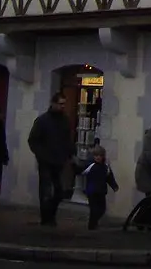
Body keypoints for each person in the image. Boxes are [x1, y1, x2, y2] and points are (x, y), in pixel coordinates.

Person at [28, 92, 75, 227]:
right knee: (46, 191)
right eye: (60, 104)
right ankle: (46, 219)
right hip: (46, 161)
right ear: (53, 104)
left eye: (64, 104)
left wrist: (70, 154)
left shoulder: (65, 120)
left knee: (59, 191)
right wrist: (41, 155)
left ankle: (51, 216)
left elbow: (67, 139)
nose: (62, 107)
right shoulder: (42, 121)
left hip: (60, 161)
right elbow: (33, 140)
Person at [82, 145, 119, 230]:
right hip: (92, 191)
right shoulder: (91, 166)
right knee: (93, 209)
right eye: (96, 155)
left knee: (102, 209)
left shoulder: (105, 167)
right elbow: (82, 171)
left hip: (101, 191)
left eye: (100, 156)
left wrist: (114, 186)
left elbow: (109, 177)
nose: (98, 157)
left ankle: (94, 222)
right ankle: (92, 225)